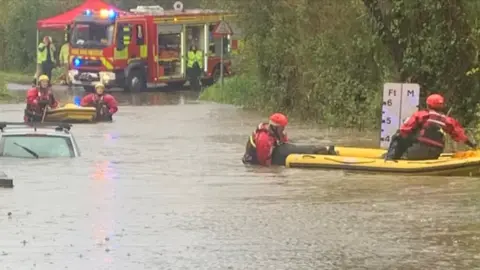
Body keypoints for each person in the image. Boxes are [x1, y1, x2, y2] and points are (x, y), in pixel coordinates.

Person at [385, 93, 477, 160]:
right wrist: (472, 146)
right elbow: (461, 136)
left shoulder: (421, 115)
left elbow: (403, 131)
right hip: (435, 154)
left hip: (417, 152)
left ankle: (389, 158)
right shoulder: (447, 121)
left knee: (398, 136)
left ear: (428, 105)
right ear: (441, 106)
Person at [242, 113, 336, 166]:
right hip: (257, 161)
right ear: (275, 127)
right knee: (289, 150)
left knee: (291, 148)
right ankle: (317, 151)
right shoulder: (264, 140)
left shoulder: (274, 132)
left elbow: (284, 142)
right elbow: (264, 163)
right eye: (282, 127)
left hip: (273, 153)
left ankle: (317, 149)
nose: (283, 129)